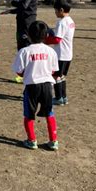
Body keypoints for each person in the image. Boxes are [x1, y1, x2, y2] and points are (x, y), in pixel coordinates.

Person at [12, 20, 59, 151]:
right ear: (46, 36)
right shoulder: (51, 51)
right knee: (49, 112)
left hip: (32, 86)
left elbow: (19, 71)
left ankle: (32, 140)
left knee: (29, 114)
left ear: (28, 34)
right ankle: (53, 141)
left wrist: (26, 74)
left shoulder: (24, 51)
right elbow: (54, 70)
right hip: (47, 86)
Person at [4, 0, 38, 82]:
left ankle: (28, 74)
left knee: (26, 47)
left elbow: (24, 5)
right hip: (22, 20)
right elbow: (23, 7)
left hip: (27, 22)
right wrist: (11, 11)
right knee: (21, 47)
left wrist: (11, 2)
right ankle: (23, 74)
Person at [45, 0, 75, 105]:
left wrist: (44, 40)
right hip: (68, 54)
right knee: (61, 76)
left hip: (60, 54)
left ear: (61, 10)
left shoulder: (62, 22)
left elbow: (57, 39)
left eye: (56, 10)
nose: (55, 13)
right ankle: (63, 97)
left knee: (55, 76)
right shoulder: (71, 21)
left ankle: (58, 98)